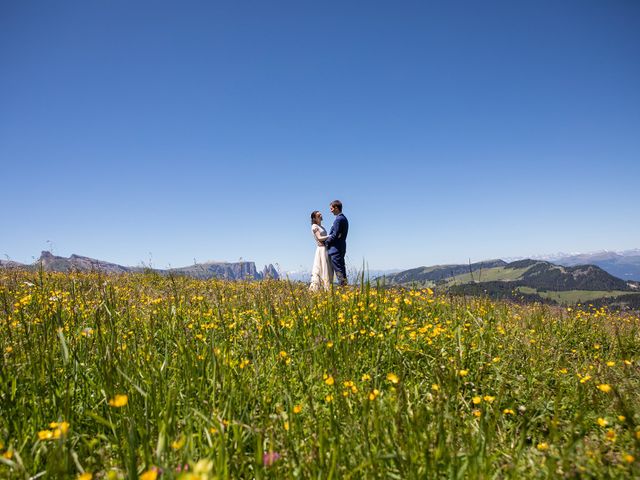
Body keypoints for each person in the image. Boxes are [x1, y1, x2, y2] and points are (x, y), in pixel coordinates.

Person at [325, 200, 349, 286]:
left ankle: (343, 288)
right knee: (341, 269)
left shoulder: (339, 219)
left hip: (336, 249)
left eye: (331, 208)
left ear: (336, 208)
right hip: (341, 247)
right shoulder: (343, 218)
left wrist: (326, 242)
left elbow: (335, 235)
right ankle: (344, 287)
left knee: (339, 271)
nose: (330, 210)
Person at [309, 210, 333, 291]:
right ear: (314, 218)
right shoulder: (314, 226)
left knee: (326, 268)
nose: (321, 216)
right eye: (319, 215)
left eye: (321, 214)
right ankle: (322, 288)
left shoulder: (321, 226)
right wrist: (331, 236)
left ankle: (326, 288)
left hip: (325, 248)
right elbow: (319, 238)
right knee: (322, 268)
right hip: (321, 249)